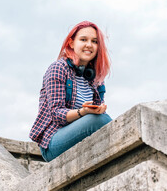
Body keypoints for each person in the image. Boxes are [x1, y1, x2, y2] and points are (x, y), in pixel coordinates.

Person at [29, 21, 112, 162]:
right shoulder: (58, 68)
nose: (89, 45)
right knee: (100, 120)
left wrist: (98, 109)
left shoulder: (96, 77)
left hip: (81, 138)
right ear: (71, 43)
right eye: (83, 39)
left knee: (102, 119)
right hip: (53, 141)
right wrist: (83, 112)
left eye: (94, 41)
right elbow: (56, 114)